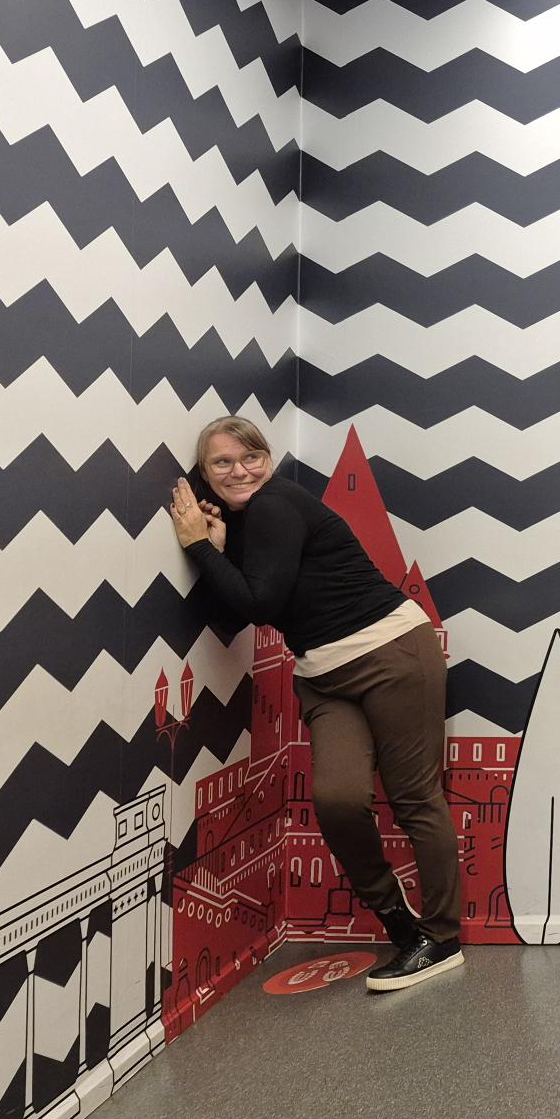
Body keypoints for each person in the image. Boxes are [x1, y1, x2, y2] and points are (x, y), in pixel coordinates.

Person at [168, 416, 464, 992]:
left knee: (413, 798)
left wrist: (200, 546)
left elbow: (259, 604)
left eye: (251, 457)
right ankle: (402, 926)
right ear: (203, 474)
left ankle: (442, 938)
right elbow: (232, 613)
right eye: (222, 463)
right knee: (337, 801)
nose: (240, 471)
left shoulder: (276, 504)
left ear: (268, 459)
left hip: (390, 653)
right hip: (323, 676)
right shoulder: (247, 522)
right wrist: (218, 549)